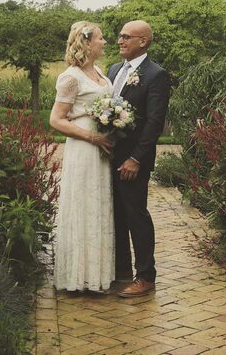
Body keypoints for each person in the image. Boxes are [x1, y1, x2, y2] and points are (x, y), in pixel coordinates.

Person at [49, 21, 115, 292]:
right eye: (100, 38)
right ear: (87, 43)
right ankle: (78, 277)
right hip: (84, 145)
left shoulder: (99, 71)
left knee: (98, 205)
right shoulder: (71, 77)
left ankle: (96, 274)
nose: (105, 42)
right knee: (83, 205)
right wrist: (92, 137)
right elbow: (56, 120)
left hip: (102, 146)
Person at [107, 20, 170, 298]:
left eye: (126, 37)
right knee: (116, 215)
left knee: (136, 216)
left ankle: (145, 276)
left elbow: (154, 123)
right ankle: (121, 270)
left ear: (143, 41)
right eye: (119, 36)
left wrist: (136, 158)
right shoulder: (114, 70)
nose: (120, 41)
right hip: (108, 157)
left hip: (133, 161)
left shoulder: (156, 75)